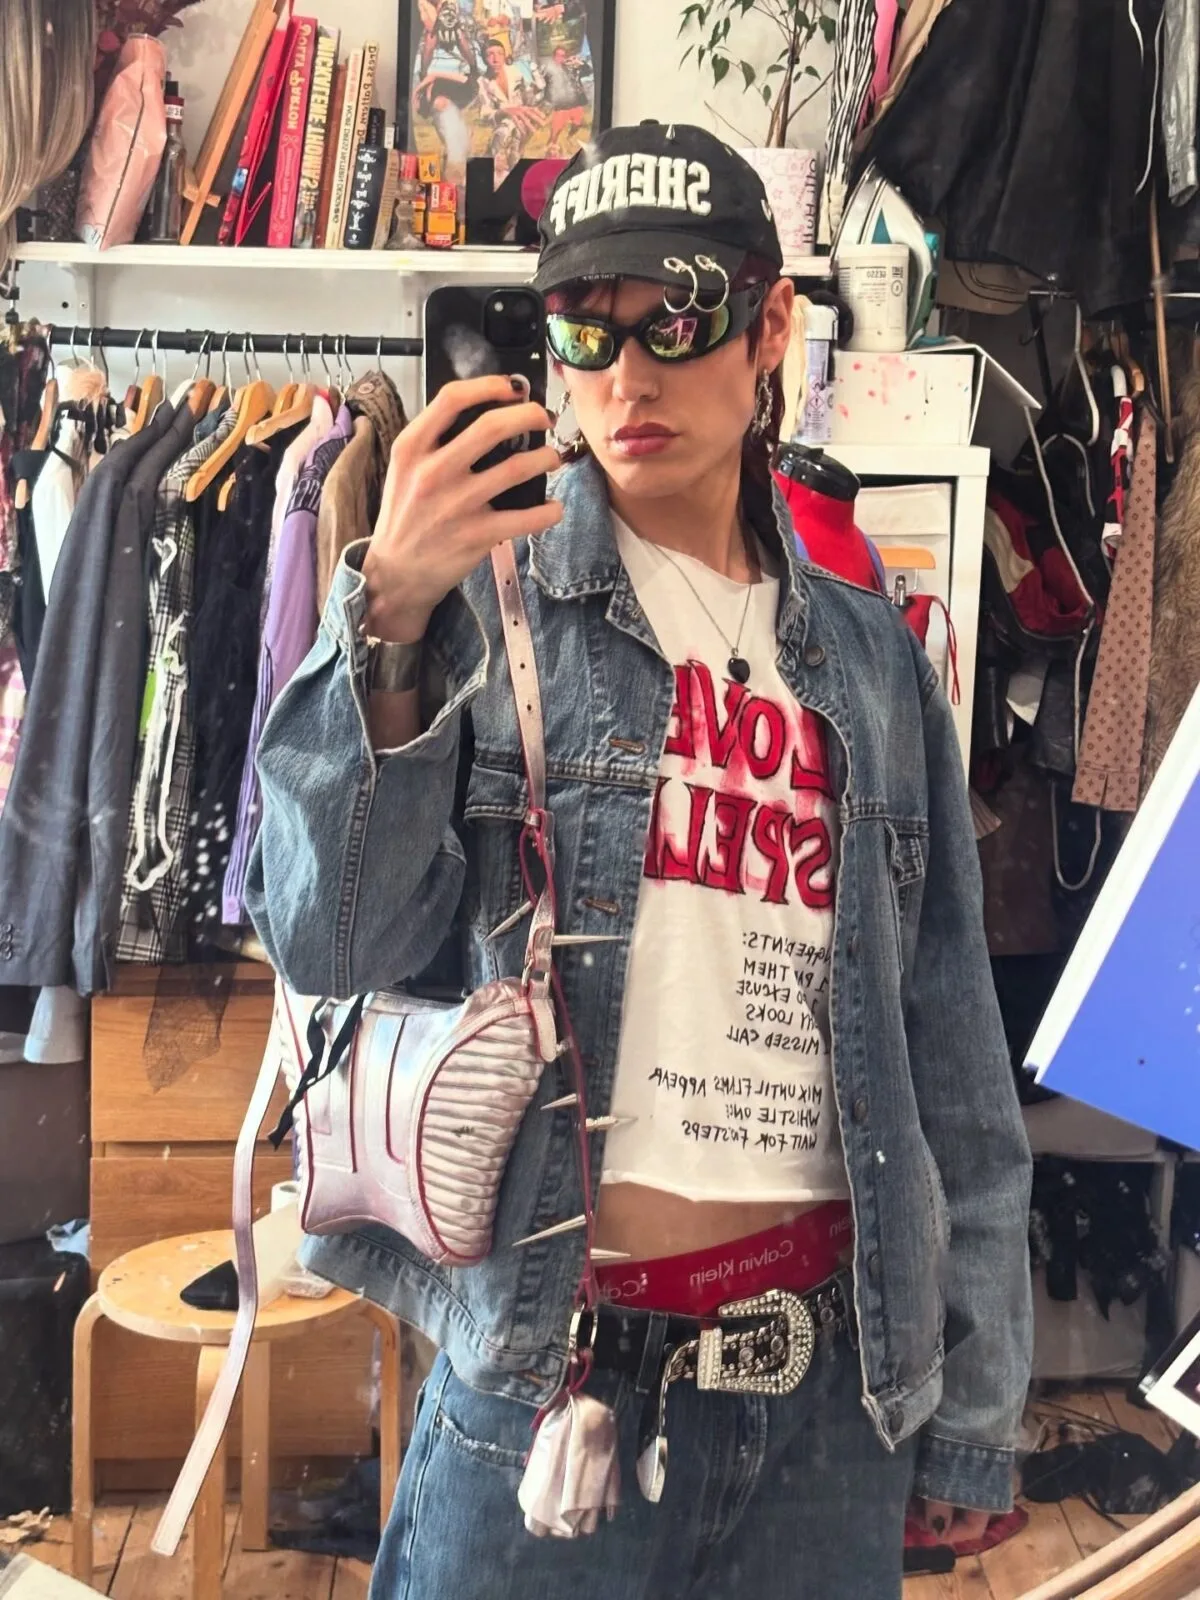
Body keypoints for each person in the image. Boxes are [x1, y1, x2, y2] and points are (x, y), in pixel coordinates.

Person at [247, 123, 1033, 1600]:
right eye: (584, 331)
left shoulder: (873, 663)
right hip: (555, 1384)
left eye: (676, 320)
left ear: (770, 327)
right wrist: (387, 612)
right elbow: (330, 938)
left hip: (826, 1407)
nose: (628, 377)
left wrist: (976, 1406)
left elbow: (951, 1058)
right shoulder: (481, 605)